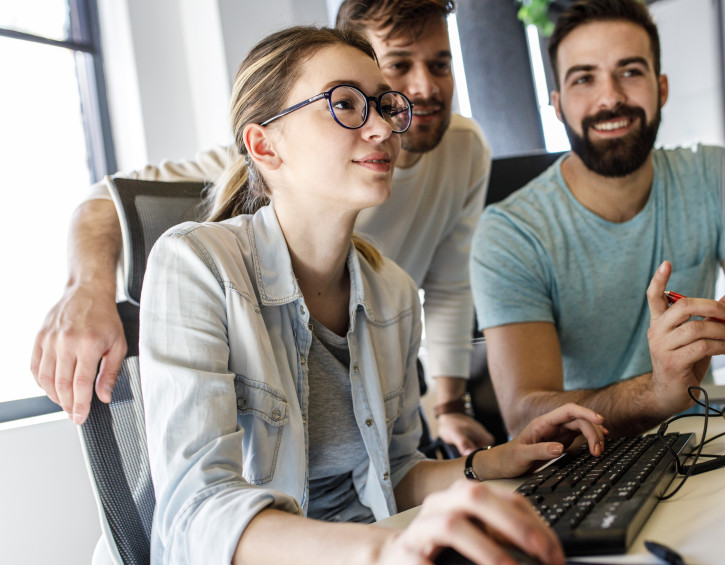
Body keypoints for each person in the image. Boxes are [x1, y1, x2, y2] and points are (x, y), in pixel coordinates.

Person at [140, 25, 606, 565]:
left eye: (385, 106)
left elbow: (398, 473)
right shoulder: (197, 266)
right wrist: (383, 551)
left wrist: (494, 460)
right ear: (264, 145)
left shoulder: (395, 294)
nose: (384, 127)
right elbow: (198, 513)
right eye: (345, 104)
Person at [30, 0, 494, 455]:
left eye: (440, 64)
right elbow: (106, 199)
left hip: (369, 371)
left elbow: (450, 288)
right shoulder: (245, 188)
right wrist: (86, 288)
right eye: (397, 65)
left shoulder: (396, 281)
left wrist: (451, 407)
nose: (425, 88)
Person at [469, 0, 725, 438]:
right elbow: (523, 415)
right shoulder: (509, 234)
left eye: (630, 71)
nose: (609, 98)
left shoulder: (713, 176)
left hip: (705, 443)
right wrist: (656, 392)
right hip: (587, 466)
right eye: (584, 78)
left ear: (661, 88)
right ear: (558, 104)